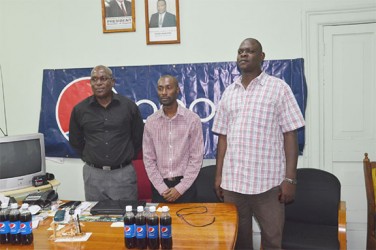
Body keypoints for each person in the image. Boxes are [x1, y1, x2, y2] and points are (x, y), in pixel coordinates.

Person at [212, 38, 305, 250]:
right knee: (238, 241)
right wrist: (219, 175)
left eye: (250, 51)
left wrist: (290, 178)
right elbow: (223, 137)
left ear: (262, 57)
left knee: (272, 241)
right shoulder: (229, 92)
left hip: (268, 185)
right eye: (240, 51)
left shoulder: (279, 88)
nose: (244, 54)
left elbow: (290, 134)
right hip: (234, 184)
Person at [69, 65, 144, 201]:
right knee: (95, 220)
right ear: (90, 83)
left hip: (123, 175)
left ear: (112, 82)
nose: (98, 83)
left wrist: (125, 156)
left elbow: (138, 138)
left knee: (127, 218)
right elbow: (75, 141)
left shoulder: (128, 107)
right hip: (93, 176)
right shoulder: (80, 110)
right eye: (94, 79)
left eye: (103, 79)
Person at [142, 75, 204, 203]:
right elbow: (148, 159)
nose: (164, 92)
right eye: (160, 88)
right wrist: (161, 188)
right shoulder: (151, 122)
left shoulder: (192, 120)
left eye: (168, 88)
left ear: (177, 90)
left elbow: (196, 158)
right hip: (159, 188)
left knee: (186, 223)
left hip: (186, 188)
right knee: (160, 223)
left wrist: (180, 188)